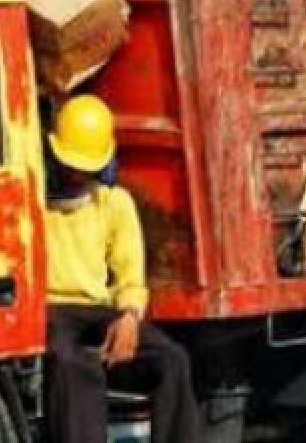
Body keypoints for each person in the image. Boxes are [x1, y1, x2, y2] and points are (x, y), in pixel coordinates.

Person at [43, 95, 201, 443]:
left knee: (172, 360)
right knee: (73, 365)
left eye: (84, 167)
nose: (76, 173)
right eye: (70, 164)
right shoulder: (32, 200)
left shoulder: (114, 203)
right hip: (49, 312)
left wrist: (129, 317)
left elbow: (130, 273)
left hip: (99, 310)